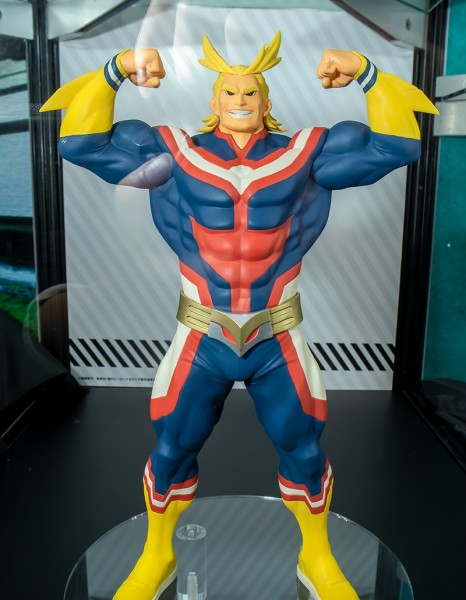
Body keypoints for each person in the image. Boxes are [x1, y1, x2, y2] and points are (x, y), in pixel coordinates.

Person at [41, 32, 437, 600]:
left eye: (251, 90)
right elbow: (79, 144)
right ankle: (157, 554)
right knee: (172, 447)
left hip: (277, 335)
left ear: (266, 98)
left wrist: (366, 71)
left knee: (304, 448)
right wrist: (117, 67)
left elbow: (396, 147)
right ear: (215, 98)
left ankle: (317, 555)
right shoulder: (172, 152)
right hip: (201, 333)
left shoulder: (306, 153)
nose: (241, 99)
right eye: (230, 90)